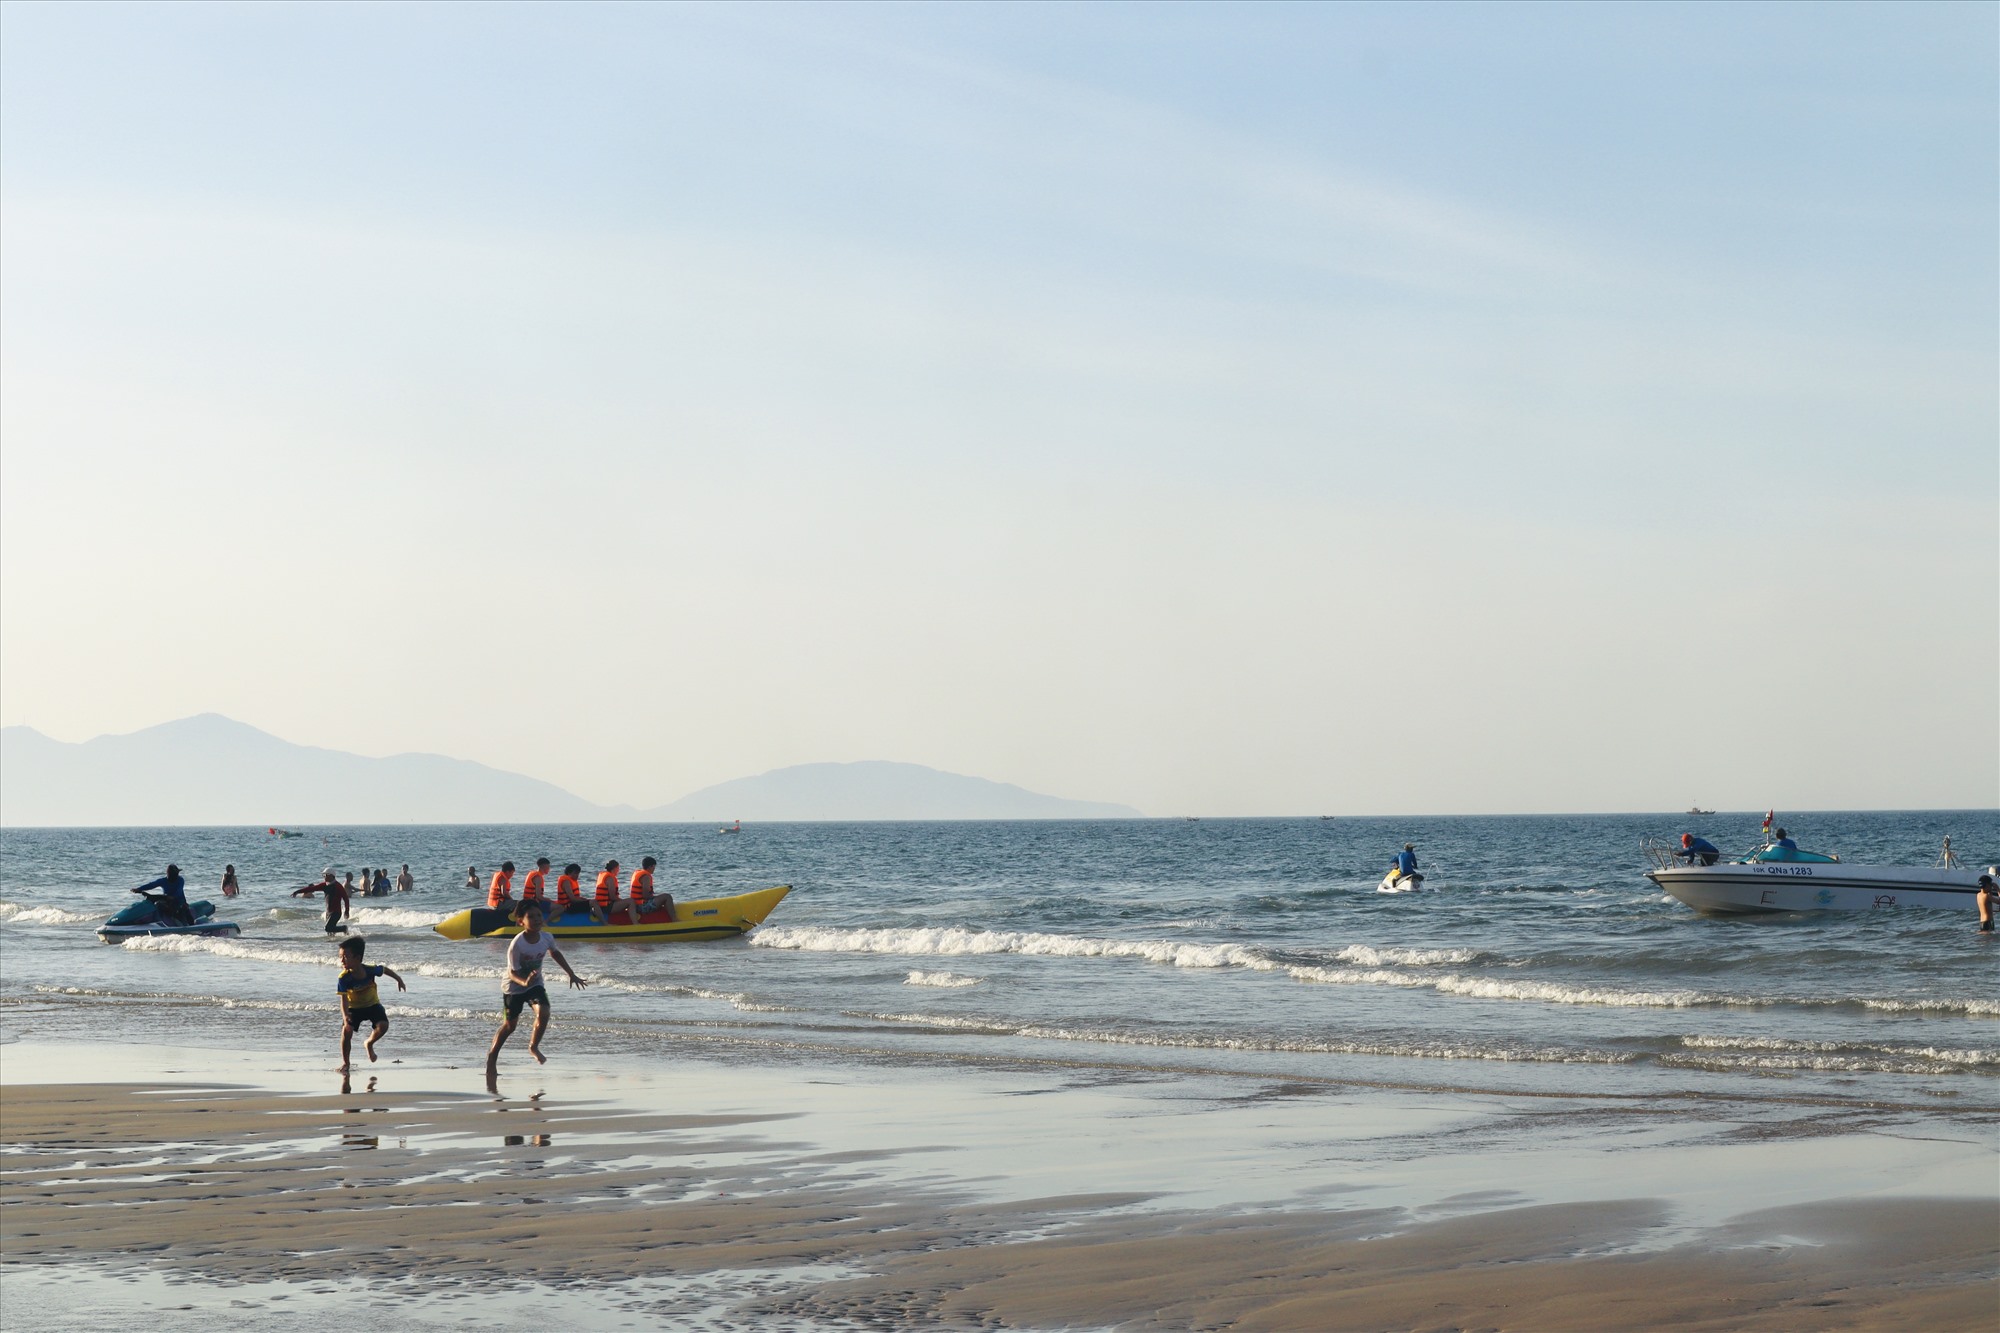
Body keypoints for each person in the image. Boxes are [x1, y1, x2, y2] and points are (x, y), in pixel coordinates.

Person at [485, 901, 587, 1082]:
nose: (537, 919)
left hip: (535, 985)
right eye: (531, 917)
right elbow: (512, 972)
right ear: (521, 921)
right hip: (514, 988)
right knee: (510, 1026)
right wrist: (523, 981)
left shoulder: (547, 937)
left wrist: (571, 974)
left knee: (544, 1011)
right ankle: (492, 1057)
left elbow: (555, 953)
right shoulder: (517, 944)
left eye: (539, 915)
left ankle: (533, 1046)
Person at [335, 936, 406, 1074]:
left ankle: (369, 1043)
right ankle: (346, 1063)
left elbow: (384, 970)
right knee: (346, 1031)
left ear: (357, 958)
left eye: (345, 956)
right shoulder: (343, 978)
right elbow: (343, 1000)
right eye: (340, 957)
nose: (342, 960)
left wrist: (399, 979)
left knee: (384, 1026)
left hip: (373, 1005)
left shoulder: (370, 970)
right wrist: (345, 1018)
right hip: (354, 1009)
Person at [292, 870, 351, 935]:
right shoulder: (324, 885)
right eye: (324, 875)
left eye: (326, 875)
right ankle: (333, 943)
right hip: (328, 912)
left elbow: (346, 899)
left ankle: (344, 928)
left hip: (336, 912)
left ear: (331, 876)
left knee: (327, 928)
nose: (324, 877)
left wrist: (347, 911)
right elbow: (311, 889)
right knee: (330, 932)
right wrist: (297, 892)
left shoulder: (338, 886)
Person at [630, 855, 673, 922]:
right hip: (642, 907)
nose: (654, 869)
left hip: (636, 905)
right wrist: (657, 898)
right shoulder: (646, 877)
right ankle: (674, 919)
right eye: (654, 867)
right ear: (650, 867)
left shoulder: (637, 873)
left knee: (662, 898)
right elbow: (645, 895)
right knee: (667, 897)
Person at [592, 859, 626, 925]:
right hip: (606, 907)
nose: (618, 870)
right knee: (631, 901)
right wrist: (623, 901)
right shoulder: (610, 878)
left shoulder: (603, 875)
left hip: (601, 905)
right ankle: (635, 923)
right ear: (615, 868)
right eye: (618, 868)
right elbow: (612, 897)